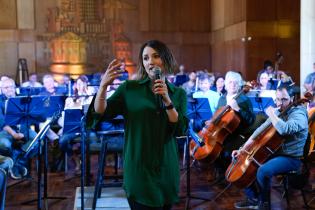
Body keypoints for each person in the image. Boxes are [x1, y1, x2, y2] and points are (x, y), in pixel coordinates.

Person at [87, 39, 188, 210]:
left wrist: (167, 100)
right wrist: (103, 86)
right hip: (138, 167)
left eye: (155, 56)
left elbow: (179, 129)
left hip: (166, 169)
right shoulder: (129, 89)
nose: (150, 62)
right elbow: (101, 111)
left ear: (165, 59)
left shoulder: (178, 94)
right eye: (146, 58)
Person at [232, 85, 308, 210]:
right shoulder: (279, 111)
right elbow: (259, 131)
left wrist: (272, 114)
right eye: (277, 99)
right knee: (244, 163)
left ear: (293, 98)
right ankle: (254, 198)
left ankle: (265, 204)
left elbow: (284, 129)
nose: (279, 103)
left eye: (284, 99)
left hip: (292, 158)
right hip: (276, 152)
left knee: (263, 170)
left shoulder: (299, 114)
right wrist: (242, 148)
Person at [214, 71, 255, 170]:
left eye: (236, 82)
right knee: (212, 148)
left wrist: (238, 109)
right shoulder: (222, 99)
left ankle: (228, 175)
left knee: (225, 151)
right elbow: (216, 116)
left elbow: (251, 120)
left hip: (237, 134)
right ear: (226, 85)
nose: (233, 85)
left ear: (239, 85)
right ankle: (219, 174)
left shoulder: (244, 100)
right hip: (221, 133)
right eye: (230, 82)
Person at [0, 78, 38, 179]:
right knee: (5, 144)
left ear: (15, 88)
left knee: (37, 141)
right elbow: (2, 123)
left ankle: (16, 162)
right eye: (6, 87)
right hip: (6, 131)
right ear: (1, 89)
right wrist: (14, 135)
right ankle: (17, 165)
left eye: (11, 87)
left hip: (23, 129)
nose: (9, 89)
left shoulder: (22, 98)